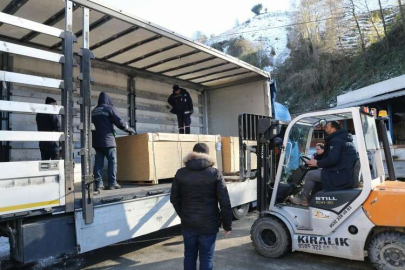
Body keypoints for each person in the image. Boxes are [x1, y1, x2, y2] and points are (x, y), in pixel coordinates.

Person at [170, 143, 232, 270]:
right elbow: (224, 201)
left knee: (189, 256)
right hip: (209, 225)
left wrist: (184, 215)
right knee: (206, 258)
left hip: (188, 224)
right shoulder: (215, 173)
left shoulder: (181, 173)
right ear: (207, 156)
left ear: (193, 154)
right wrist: (227, 225)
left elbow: (174, 199)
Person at [291, 122, 358, 207]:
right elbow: (333, 157)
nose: (324, 129)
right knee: (318, 174)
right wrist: (318, 159)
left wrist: (317, 163)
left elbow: (332, 159)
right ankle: (312, 197)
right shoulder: (343, 139)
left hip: (339, 175)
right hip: (343, 172)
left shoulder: (336, 141)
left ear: (334, 129)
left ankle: (303, 198)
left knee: (310, 175)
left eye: (327, 127)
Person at [92, 92, 136, 191]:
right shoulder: (109, 109)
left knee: (98, 163)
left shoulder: (93, 111)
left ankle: (98, 185)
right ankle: (112, 183)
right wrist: (129, 129)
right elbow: (119, 122)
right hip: (108, 141)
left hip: (96, 142)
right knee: (112, 162)